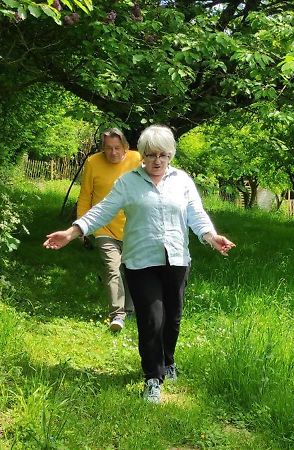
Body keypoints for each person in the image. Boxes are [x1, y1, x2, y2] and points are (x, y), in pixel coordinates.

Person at [44, 125, 235, 404]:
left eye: (162, 155)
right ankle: (152, 378)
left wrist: (211, 236)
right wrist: (72, 232)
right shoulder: (127, 182)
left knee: (173, 318)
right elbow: (102, 211)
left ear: (170, 155)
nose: (156, 161)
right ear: (141, 156)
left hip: (177, 259)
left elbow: (196, 214)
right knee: (151, 319)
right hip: (140, 261)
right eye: (150, 155)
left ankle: (168, 360)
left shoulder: (182, 181)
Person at [77, 128, 141, 332]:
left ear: (125, 147)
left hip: (132, 226)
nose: (113, 153)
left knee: (131, 269)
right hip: (103, 227)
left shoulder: (137, 159)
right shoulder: (93, 162)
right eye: (108, 148)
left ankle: (130, 310)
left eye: (117, 148)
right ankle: (117, 315)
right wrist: (82, 226)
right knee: (113, 268)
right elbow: (85, 196)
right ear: (102, 149)